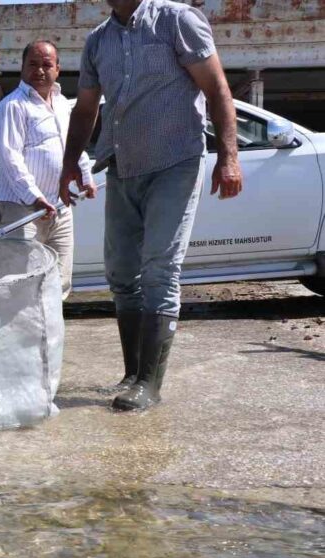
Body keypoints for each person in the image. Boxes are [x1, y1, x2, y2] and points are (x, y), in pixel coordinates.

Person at [59, 0, 242, 411]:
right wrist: (70, 162)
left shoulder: (177, 21)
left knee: (159, 267)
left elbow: (216, 89)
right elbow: (86, 108)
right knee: (122, 272)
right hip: (122, 168)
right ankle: (132, 371)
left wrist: (228, 156)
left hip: (175, 162)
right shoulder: (97, 41)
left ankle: (149, 384)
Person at [0, 40, 94, 299]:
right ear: (22, 68)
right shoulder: (12, 107)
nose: (39, 71)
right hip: (21, 209)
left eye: (46, 65)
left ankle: (51, 339)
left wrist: (86, 176)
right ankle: (21, 340)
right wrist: (35, 197)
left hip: (59, 207)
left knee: (58, 284)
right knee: (21, 286)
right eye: (33, 65)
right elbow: (10, 158)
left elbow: (73, 145)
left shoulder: (62, 103)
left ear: (58, 69)